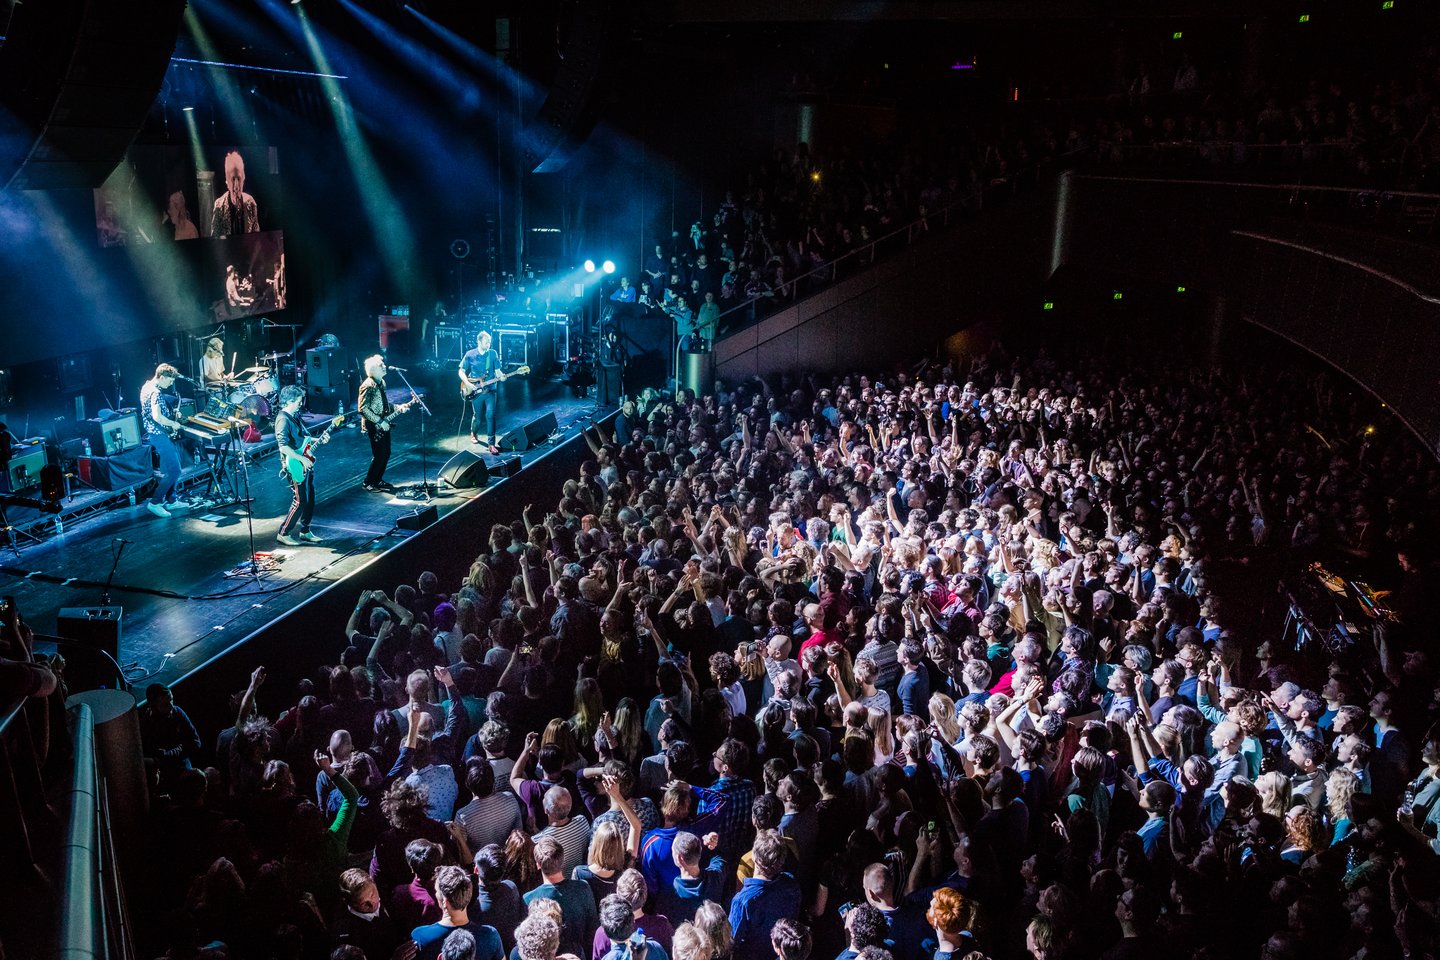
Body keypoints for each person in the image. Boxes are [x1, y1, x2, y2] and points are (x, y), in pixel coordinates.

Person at [409, 864, 504, 960]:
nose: (436, 894)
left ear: (445, 902)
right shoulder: (490, 935)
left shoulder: (420, 936)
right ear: (468, 896)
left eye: (436, 891)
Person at [358, 354, 414, 493]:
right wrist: (379, 421)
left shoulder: (381, 382)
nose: (384, 367)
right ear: (373, 369)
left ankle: (378, 480)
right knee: (379, 454)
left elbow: (384, 404)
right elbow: (363, 408)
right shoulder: (368, 385)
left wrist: (397, 407)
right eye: (381, 365)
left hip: (384, 422)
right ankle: (368, 482)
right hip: (373, 424)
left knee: (386, 452)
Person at [274, 385, 322, 546]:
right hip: (294, 464)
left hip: (304, 461)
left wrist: (316, 440)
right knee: (300, 500)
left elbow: (302, 438)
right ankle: (284, 532)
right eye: (298, 401)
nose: (300, 404)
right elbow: (283, 446)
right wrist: (301, 459)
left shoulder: (294, 416)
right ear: (289, 401)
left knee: (310, 499)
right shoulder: (283, 419)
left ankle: (305, 531)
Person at [139, 363, 186, 518]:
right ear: (162, 377)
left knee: (171, 468)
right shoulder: (155, 392)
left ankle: (172, 500)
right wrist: (173, 423)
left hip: (157, 434)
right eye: (170, 381)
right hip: (159, 435)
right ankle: (155, 502)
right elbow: (157, 417)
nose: (171, 384)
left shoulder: (146, 386)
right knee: (175, 470)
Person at [459, 331, 511, 452]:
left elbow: (498, 372)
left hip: (491, 390)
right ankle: (473, 432)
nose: (489, 344)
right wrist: (467, 383)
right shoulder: (470, 354)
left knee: (490, 415)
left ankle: (491, 444)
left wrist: (502, 377)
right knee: (477, 417)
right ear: (479, 341)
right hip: (476, 391)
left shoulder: (492, 354)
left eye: (489, 342)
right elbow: (461, 371)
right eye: (486, 342)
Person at [211, 149, 260, 237]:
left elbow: (256, 237)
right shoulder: (218, 205)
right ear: (227, 181)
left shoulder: (251, 202)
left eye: (239, 178)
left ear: (244, 179)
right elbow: (215, 240)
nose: (236, 186)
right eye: (233, 179)